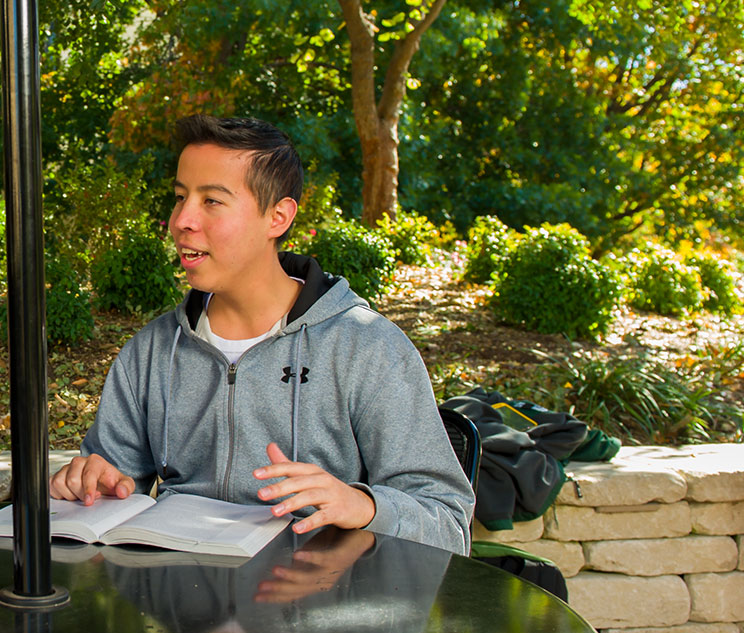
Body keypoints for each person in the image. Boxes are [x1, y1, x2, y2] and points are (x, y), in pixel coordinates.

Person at [50, 115, 474, 556]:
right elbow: (112, 485)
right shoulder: (151, 351)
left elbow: (447, 523)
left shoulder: (366, 347)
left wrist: (364, 505)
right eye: (180, 197)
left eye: (211, 201)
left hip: (317, 608)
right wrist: (92, 482)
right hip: (180, 610)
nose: (181, 220)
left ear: (278, 216)